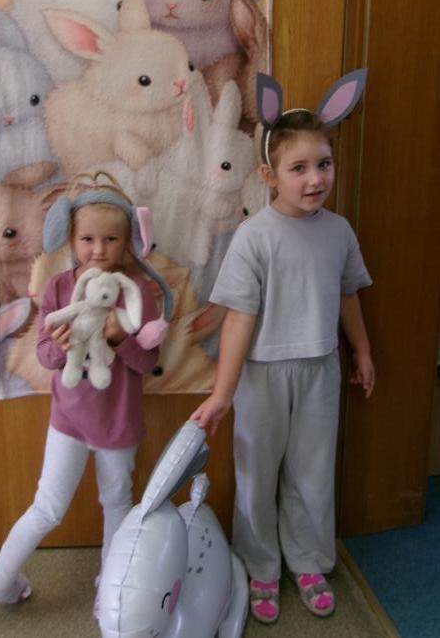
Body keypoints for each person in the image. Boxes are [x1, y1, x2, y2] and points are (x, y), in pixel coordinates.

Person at [191, 71, 375, 624]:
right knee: (258, 473)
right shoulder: (255, 237)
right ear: (269, 175)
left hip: (320, 369)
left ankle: (310, 562)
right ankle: (261, 567)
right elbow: (239, 319)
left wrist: (362, 351)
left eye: (324, 164)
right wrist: (223, 393)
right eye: (299, 168)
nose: (316, 178)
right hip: (263, 375)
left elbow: (347, 294)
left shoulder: (339, 231)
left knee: (313, 473)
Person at [0, 172, 172, 610]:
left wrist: (120, 338)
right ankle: (1, 580)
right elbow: (45, 356)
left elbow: (147, 363)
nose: (99, 250)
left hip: (118, 425)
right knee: (47, 506)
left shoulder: (136, 291)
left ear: (128, 241)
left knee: (117, 503)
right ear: (70, 239)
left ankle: (111, 591)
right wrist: (61, 349)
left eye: (111, 239)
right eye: (88, 239)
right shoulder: (59, 288)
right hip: (67, 422)